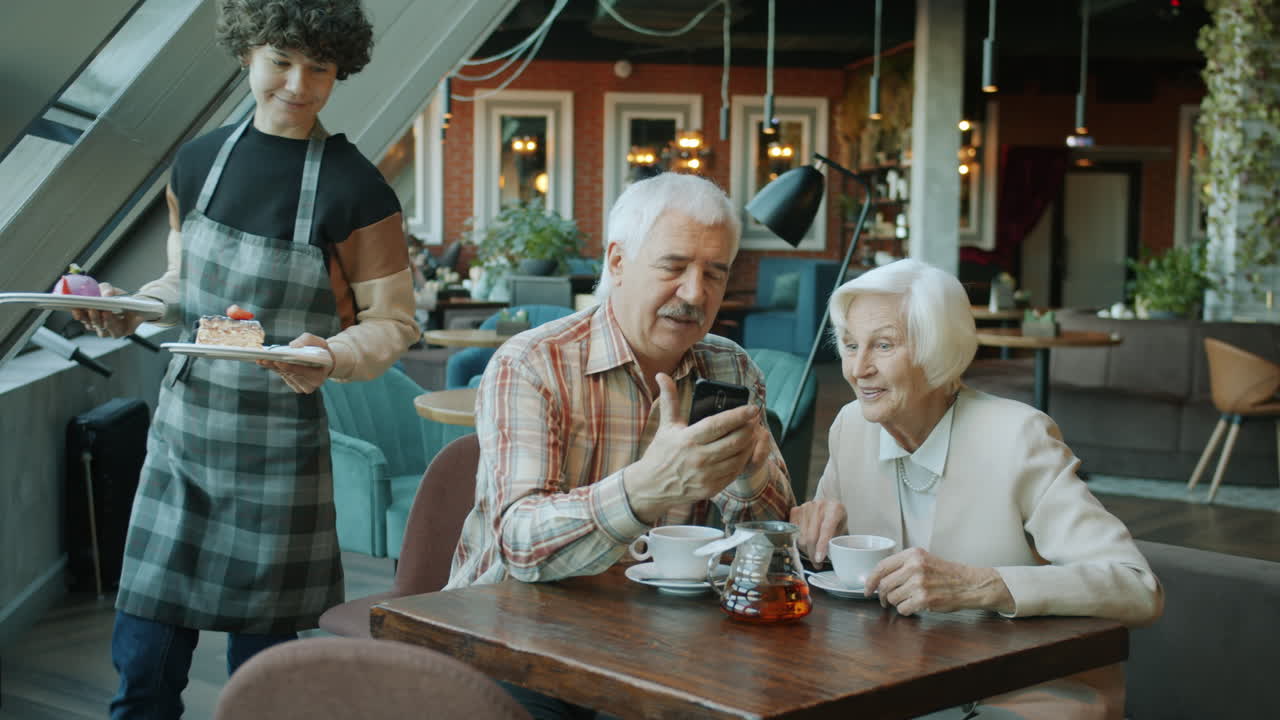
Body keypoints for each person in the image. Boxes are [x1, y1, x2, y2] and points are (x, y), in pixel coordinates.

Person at [74, 2, 420, 717]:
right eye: (281, 60)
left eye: (319, 67)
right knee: (141, 671)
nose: (299, 83)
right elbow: (183, 285)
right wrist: (126, 306)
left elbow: (394, 324)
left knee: (263, 688)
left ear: (339, 69)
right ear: (246, 53)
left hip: (278, 456)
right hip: (182, 444)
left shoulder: (358, 189)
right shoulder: (198, 162)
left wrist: (330, 353)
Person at [446, 172, 795, 718]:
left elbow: (768, 549)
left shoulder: (730, 367)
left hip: (666, 642)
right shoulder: (533, 364)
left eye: (715, 273)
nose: (695, 293)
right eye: (673, 266)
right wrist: (645, 491)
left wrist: (750, 477)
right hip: (513, 638)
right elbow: (519, 542)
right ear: (616, 262)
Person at [790, 258, 1162, 719]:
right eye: (850, 345)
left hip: (1020, 690)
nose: (858, 368)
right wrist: (810, 534)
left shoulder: (1018, 437)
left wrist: (984, 586)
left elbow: (1137, 588)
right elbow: (827, 550)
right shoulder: (853, 427)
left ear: (937, 352)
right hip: (894, 683)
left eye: (883, 345)